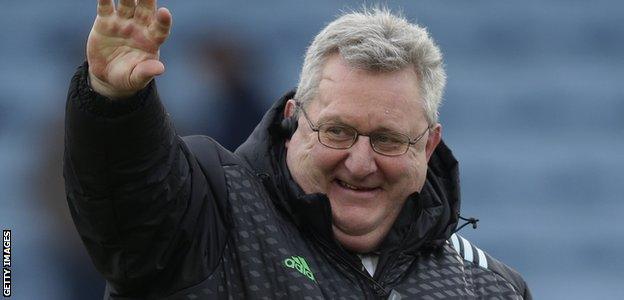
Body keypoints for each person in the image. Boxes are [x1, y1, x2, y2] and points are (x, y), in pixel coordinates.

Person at [64, 0, 532, 299]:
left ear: (429, 145)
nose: (360, 162)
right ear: (295, 119)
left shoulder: (488, 288)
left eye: (388, 140)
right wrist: (113, 101)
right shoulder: (208, 209)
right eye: (338, 132)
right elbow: (128, 197)